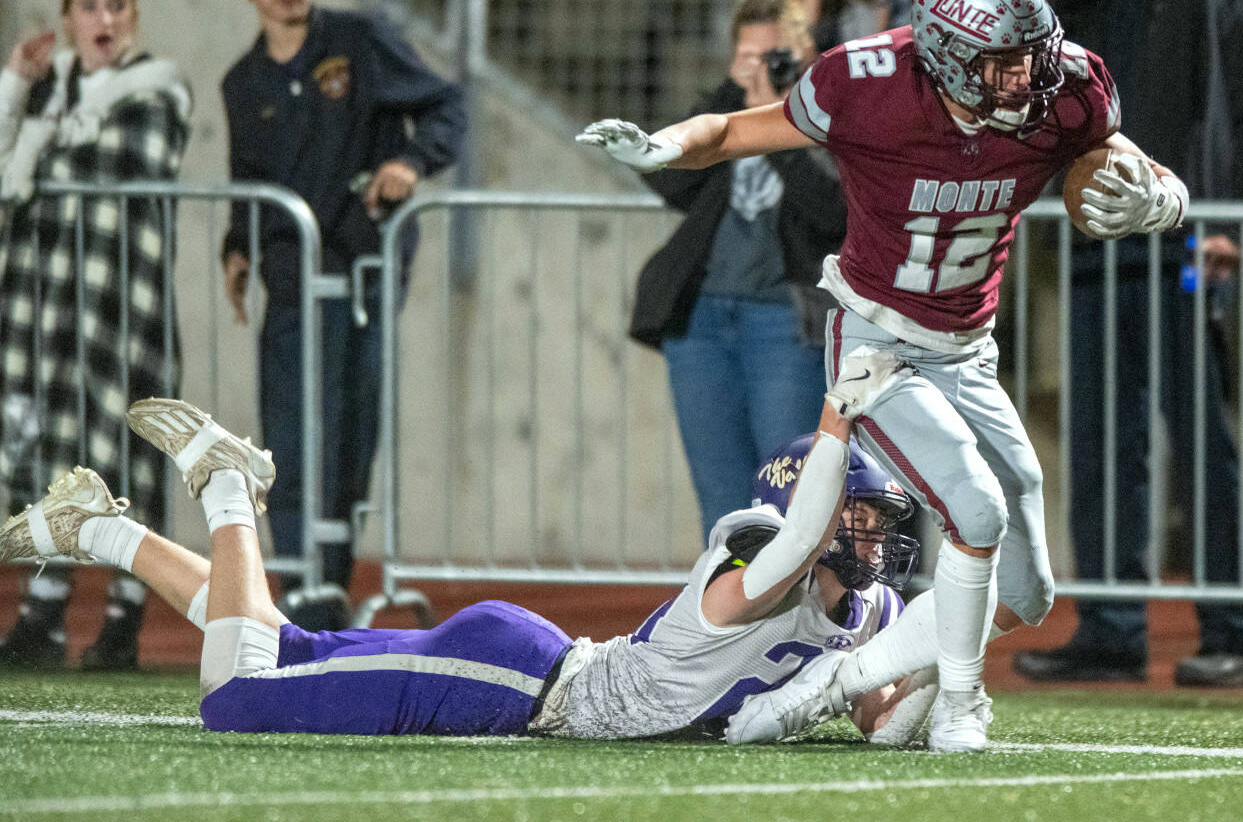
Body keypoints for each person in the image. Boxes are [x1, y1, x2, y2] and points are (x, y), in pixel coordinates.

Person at [577, 0, 1192, 751]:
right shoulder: (863, 85)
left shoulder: (1067, 84)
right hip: (878, 339)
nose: (1025, 81)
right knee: (975, 508)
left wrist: (1163, 200)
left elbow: (1124, 161)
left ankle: (833, 682)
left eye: (1032, 56)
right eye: (1002, 65)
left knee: (1028, 587)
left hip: (969, 347)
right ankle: (963, 706)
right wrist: (663, 147)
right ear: (945, 57)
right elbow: (732, 129)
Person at [0, 347, 931, 741]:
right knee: (235, 701)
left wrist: (943, 677)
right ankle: (230, 487)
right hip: (521, 682)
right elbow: (792, 551)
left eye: (882, 520)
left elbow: (878, 714)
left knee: (278, 646)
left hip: (521, 660)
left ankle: (104, 529)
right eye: (860, 514)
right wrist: (835, 419)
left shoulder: (865, 606)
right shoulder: (754, 567)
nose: (878, 535)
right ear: (809, 511)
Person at [1012, 0, 1243, 689]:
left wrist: (1239, 229)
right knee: (1099, 448)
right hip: (1100, 252)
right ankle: (1109, 629)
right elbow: (1030, 96)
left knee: (1202, 445)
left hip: (1187, 251)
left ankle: (1234, 631)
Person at [220, 0, 465, 624]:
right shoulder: (243, 82)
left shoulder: (360, 41)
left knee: (352, 429)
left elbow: (447, 102)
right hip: (293, 275)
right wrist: (237, 248)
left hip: (361, 272)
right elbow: (247, 177)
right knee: (289, 430)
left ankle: (329, 582)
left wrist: (411, 162)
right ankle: (296, 583)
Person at [0, 0, 192, 670]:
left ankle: (124, 618)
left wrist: (40, 146)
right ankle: (42, 615)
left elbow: (121, 160)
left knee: (129, 461)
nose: (103, 19)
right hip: (41, 303)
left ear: (133, 15)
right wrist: (18, 85)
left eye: (116, 5)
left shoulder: (158, 87)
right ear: (68, 16)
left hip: (119, 302)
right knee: (39, 452)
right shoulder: (51, 95)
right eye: (88, 6)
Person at [631, 0, 844, 542]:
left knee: (789, 498)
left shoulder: (834, 118)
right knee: (721, 501)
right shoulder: (723, 116)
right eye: (751, 55)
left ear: (804, 52)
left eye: (776, 55)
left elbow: (833, 212)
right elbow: (665, 179)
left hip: (787, 325)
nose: (765, 66)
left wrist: (775, 119)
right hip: (701, 323)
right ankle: (726, 626)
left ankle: (791, 627)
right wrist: (735, 97)